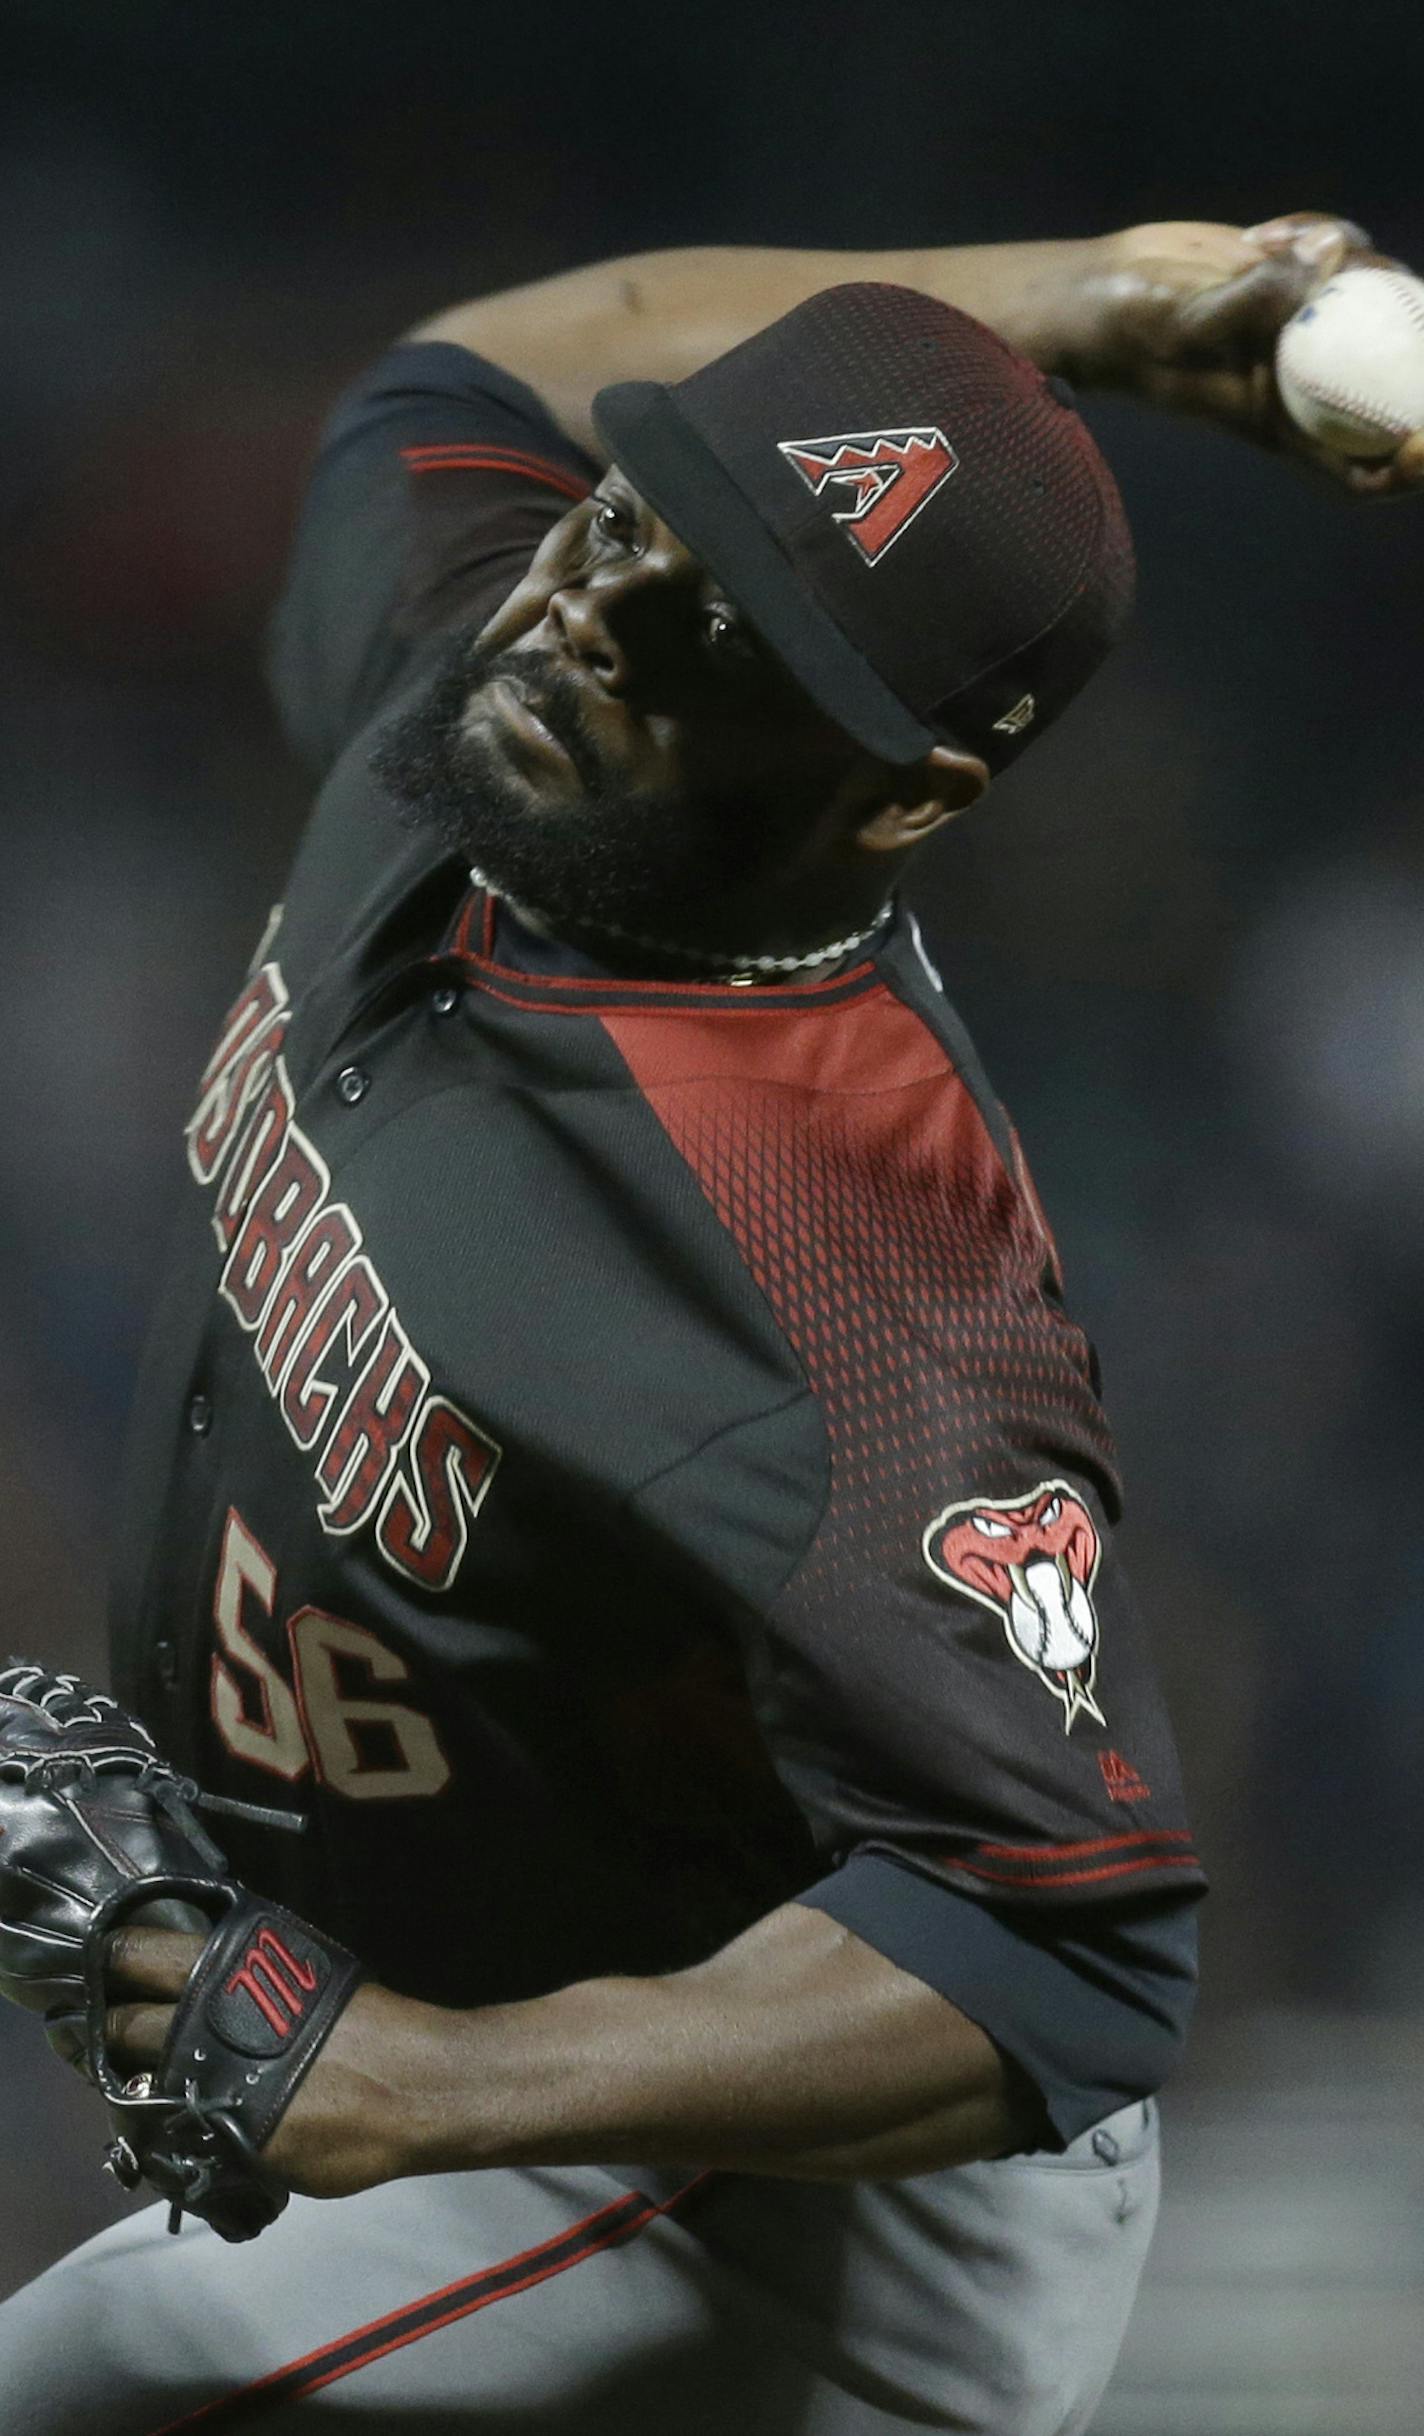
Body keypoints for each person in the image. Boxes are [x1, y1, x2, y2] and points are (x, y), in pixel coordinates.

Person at [0, 211, 1418, 2436]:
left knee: (85, 2377)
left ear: (906, 793)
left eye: (724, 634)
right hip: (489, 1997)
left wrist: (431, 2080)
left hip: (765, 2210)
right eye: (639, 521)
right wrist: (1112, 308)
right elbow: (463, 368)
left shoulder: (850, 1264)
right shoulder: (474, 688)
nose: (593, 622)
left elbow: (1062, 1957)